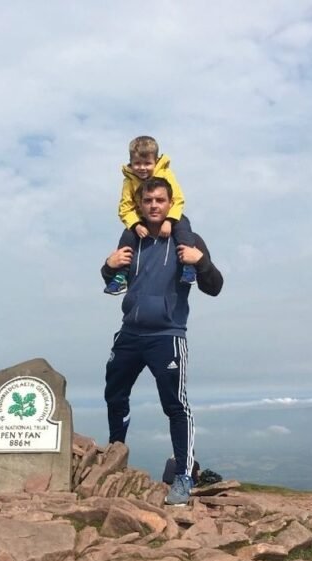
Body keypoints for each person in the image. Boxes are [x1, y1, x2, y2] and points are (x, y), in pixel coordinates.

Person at [102, 177, 224, 506]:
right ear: (140, 205)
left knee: (175, 405)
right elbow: (116, 278)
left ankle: (183, 476)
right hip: (130, 333)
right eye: (148, 201)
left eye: (160, 200)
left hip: (167, 336)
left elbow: (214, 286)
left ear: (170, 204)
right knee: (114, 395)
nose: (154, 205)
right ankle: (114, 460)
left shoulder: (188, 239)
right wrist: (106, 267)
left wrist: (201, 262)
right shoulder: (134, 238)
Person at [105, 136, 197, 295]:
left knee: (183, 225)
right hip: (142, 220)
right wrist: (136, 225)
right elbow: (125, 207)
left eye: (147, 163)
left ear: (156, 161)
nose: (142, 168)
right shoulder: (129, 181)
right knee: (127, 235)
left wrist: (169, 220)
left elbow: (178, 199)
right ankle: (121, 275)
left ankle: (189, 266)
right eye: (137, 164)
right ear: (131, 162)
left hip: (170, 217)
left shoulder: (166, 173)